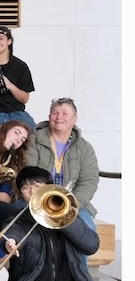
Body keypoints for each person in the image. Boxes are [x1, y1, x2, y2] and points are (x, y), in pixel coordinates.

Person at [0, 166, 119, 281]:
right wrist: (10, 242)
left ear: (49, 188)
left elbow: (91, 246)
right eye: (25, 188)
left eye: (37, 186)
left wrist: (64, 220)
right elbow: (12, 233)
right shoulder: (19, 219)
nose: (31, 192)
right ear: (20, 193)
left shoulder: (71, 216)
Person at [24, 97, 99, 231]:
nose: (59, 117)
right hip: (37, 202)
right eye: (55, 113)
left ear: (75, 119)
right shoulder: (33, 141)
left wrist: (71, 205)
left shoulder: (85, 148)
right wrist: (41, 202)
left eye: (65, 113)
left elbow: (89, 181)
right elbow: (28, 173)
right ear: (49, 116)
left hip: (73, 204)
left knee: (87, 233)